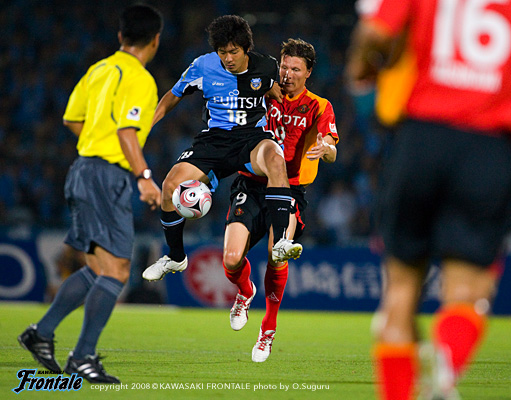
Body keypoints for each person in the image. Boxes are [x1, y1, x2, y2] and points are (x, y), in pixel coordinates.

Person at [345, 0, 511, 399]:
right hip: (487, 147)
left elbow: (375, 31)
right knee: (469, 292)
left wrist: (363, 70)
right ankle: (447, 360)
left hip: (421, 139)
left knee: (399, 294)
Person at [17, 4, 163, 384]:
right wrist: (144, 177)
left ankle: (41, 333)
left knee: (98, 269)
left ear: (121, 36)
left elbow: (71, 119)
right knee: (118, 270)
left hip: (82, 170)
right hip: (106, 176)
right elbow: (127, 132)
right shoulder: (140, 78)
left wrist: (97, 146)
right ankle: (82, 357)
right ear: (155, 40)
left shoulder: (98, 69)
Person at [142, 15, 302, 282]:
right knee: (170, 186)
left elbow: (280, 93)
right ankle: (176, 257)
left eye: (233, 52)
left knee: (275, 158)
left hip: (252, 138)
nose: (228, 58)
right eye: (222, 52)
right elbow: (174, 94)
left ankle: (281, 241)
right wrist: (148, 124)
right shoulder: (202, 66)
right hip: (214, 141)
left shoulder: (267, 66)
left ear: (246, 49)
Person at [222, 38, 338, 362]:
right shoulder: (263, 91)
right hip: (251, 184)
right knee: (231, 259)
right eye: (284, 67)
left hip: (289, 190)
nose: (287, 74)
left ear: (308, 72)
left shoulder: (318, 105)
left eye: (296, 69)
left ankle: (268, 329)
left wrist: (326, 149)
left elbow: (331, 145)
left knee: (277, 254)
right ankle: (245, 291)